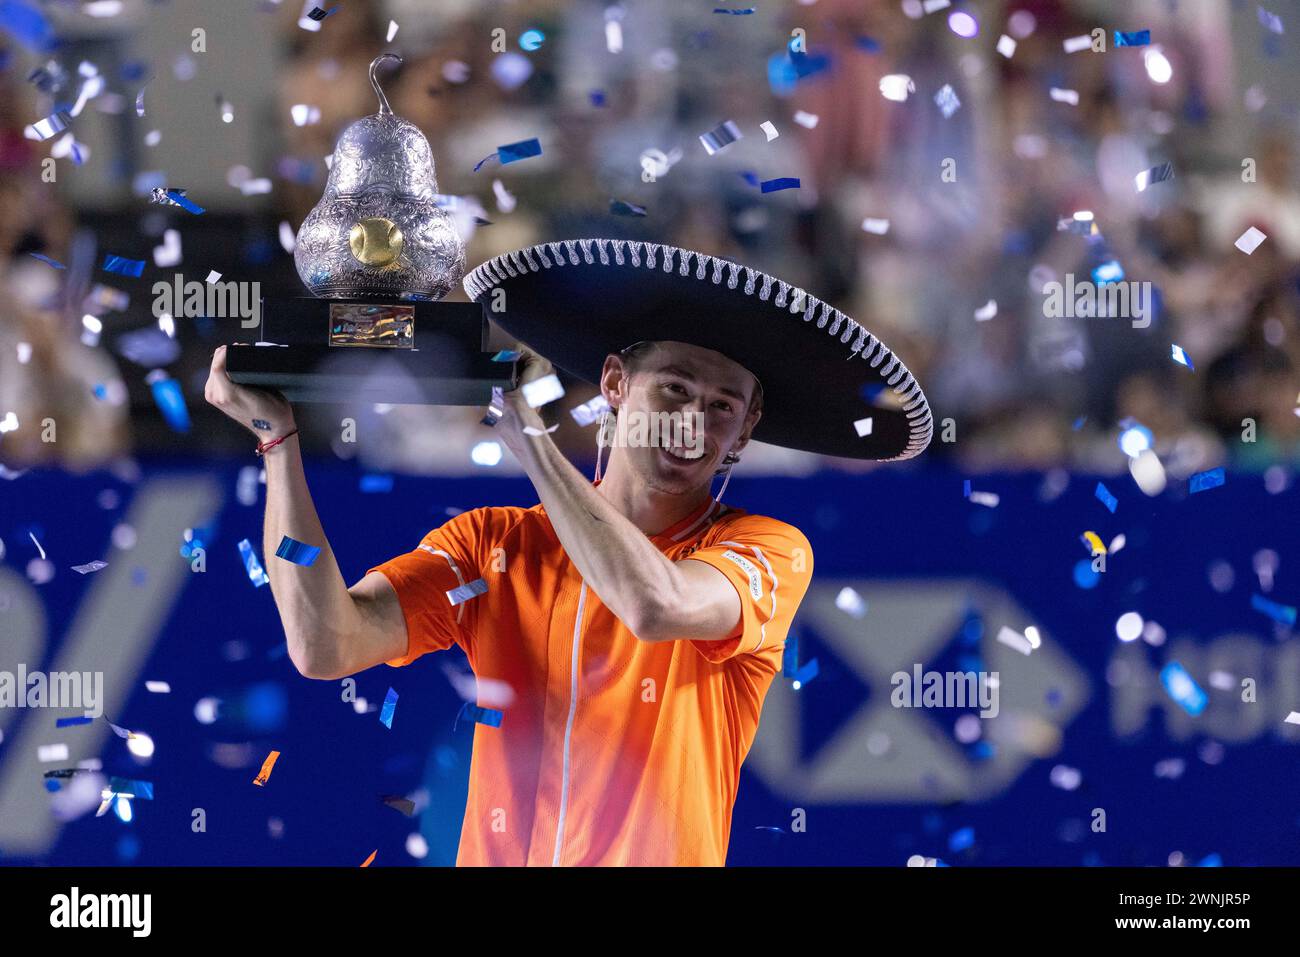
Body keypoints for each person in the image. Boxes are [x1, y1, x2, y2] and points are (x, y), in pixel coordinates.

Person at [205, 236, 931, 865]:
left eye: (721, 408)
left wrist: (536, 445)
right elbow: (324, 643)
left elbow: (656, 603)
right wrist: (279, 445)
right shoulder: (494, 543)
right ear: (614, 384)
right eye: (673, 390)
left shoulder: (767, 547)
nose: (692, 424)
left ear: (746, 430)